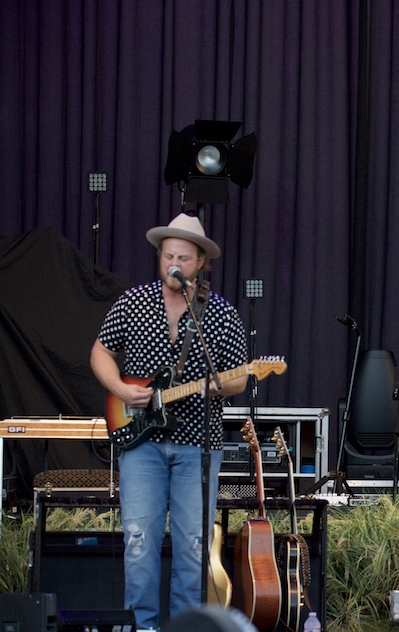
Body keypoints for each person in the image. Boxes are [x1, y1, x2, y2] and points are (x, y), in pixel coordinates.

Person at [91, 214, 248, 628]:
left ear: (200, 263)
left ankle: (185, 626)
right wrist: (123, 391)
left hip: (199, 443)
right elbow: (100, 352)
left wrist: (219, 387)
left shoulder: (219, 313)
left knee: (193, 546)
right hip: (140, 442)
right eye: (168, 255)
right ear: (160, 258)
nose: (174, 262)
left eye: (183, 257)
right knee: (139, 542)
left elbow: (240, 378)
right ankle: (141, 625)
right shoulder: (133, 301)